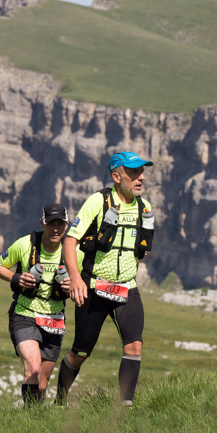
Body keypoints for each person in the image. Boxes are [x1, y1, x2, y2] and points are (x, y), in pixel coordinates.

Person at [56, 151, 156, 406]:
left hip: (127, 289)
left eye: (142, 172)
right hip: (94, 288)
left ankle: (125, 410)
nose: (140, 178)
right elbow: (70, 241)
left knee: (134, 347)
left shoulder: (145, 207)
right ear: (116, 176)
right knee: (80, 352)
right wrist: (76, 279)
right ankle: (59, 401)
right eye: (134, 173)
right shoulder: (97, 201)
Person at [0, 203, 75, 404]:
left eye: (60, 224)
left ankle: (33, 418)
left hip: (54, 319)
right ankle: (29, 420)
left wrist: (72, 285)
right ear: (42, 224)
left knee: (43, 383)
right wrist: (16, 278)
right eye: (51, 223)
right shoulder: (25, 244)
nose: (55, 228)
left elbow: (83, 281)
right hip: (24, 313)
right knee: (33, 367)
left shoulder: (73, 251)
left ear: (67, 225)